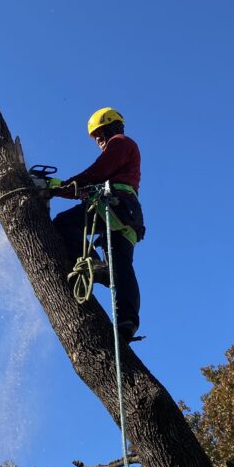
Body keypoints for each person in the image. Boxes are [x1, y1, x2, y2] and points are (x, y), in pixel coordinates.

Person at [51, 107, 145, 341]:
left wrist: (60, 186)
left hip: (115, 205)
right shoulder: (123, 153)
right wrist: (62, 188)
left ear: (113, 127)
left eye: (101, 135)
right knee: (120, 268)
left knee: (63, 223)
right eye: (96, 139)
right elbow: (86, 188)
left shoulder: (121, 142)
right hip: (128, 215)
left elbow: (98, 172)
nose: (99, 141)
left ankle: (93, 262)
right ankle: (126, 323)